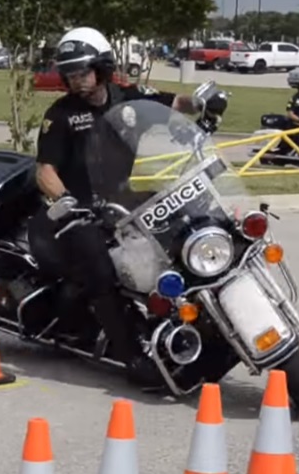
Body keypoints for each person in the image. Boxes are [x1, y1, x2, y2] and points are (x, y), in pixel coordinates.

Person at [28, 27, 227, 388]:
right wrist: (67, 204)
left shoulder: (126, 97)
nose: (77, 81)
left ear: (102, 68)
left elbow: (170, 103)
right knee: (103, 273)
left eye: (83, 72)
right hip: (79, 213)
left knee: (181, 233)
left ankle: (204, 321)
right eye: (70, 74)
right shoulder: (60, 115)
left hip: (124, 200)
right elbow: (45, 171)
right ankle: (132, 354)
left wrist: (202, 103)